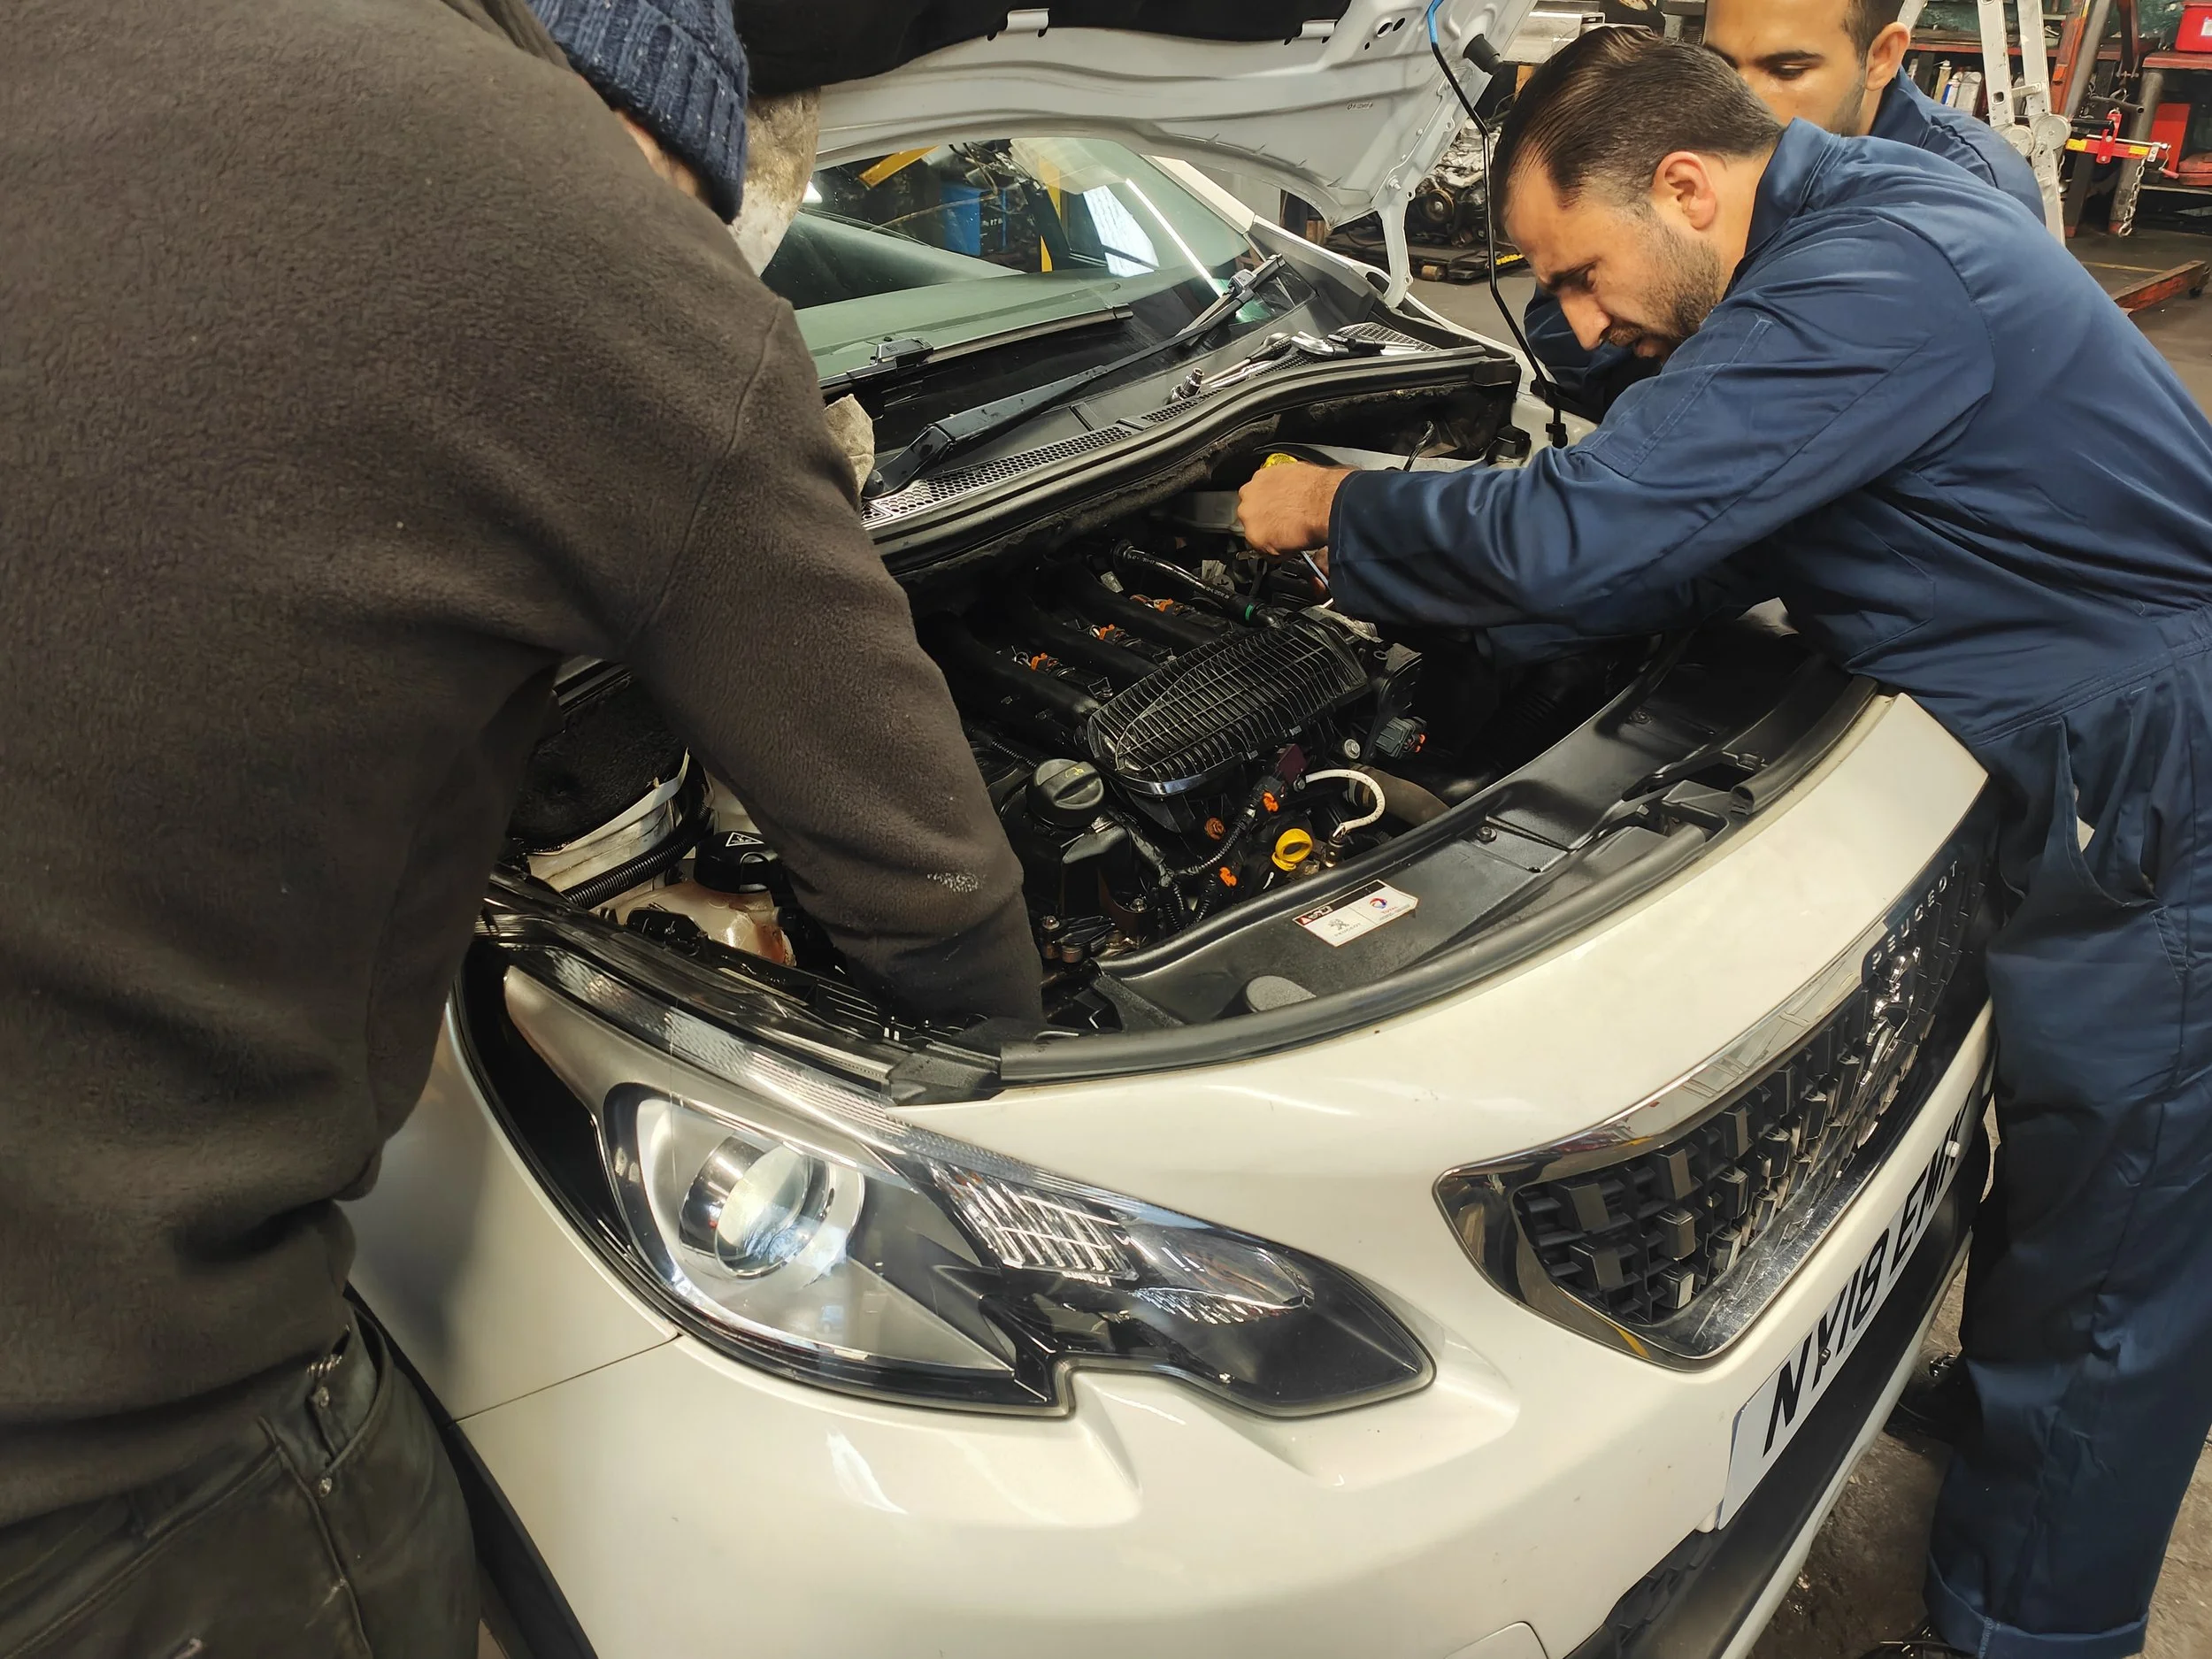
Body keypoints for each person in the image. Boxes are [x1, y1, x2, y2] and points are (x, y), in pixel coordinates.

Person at [0, 0, 1041, 1654]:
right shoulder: (591, 228)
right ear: (667, 147)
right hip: (102, 1457)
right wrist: (1018, 1101)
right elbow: (933, 884)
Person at [1238, 29, 2212, 1659]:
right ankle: (2013, 1413)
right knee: (2076, 1175)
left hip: (2167, 771)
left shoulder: (1868, 280)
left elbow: (1587, 535)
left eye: (1581, 271)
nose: (1576, 322)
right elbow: (1699, 530)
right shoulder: (1869, 213)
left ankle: (2028, 1629)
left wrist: (1334, 509)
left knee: (2123, 1245)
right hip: (2107, 744)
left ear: (1686, 186)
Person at [1525, 0, 2044, 418]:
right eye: (1721, 65)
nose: (1742, 100)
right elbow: (1558, 319)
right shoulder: (1688, 139)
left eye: (1787, 70)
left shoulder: (1967, 190)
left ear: (1881, 57)